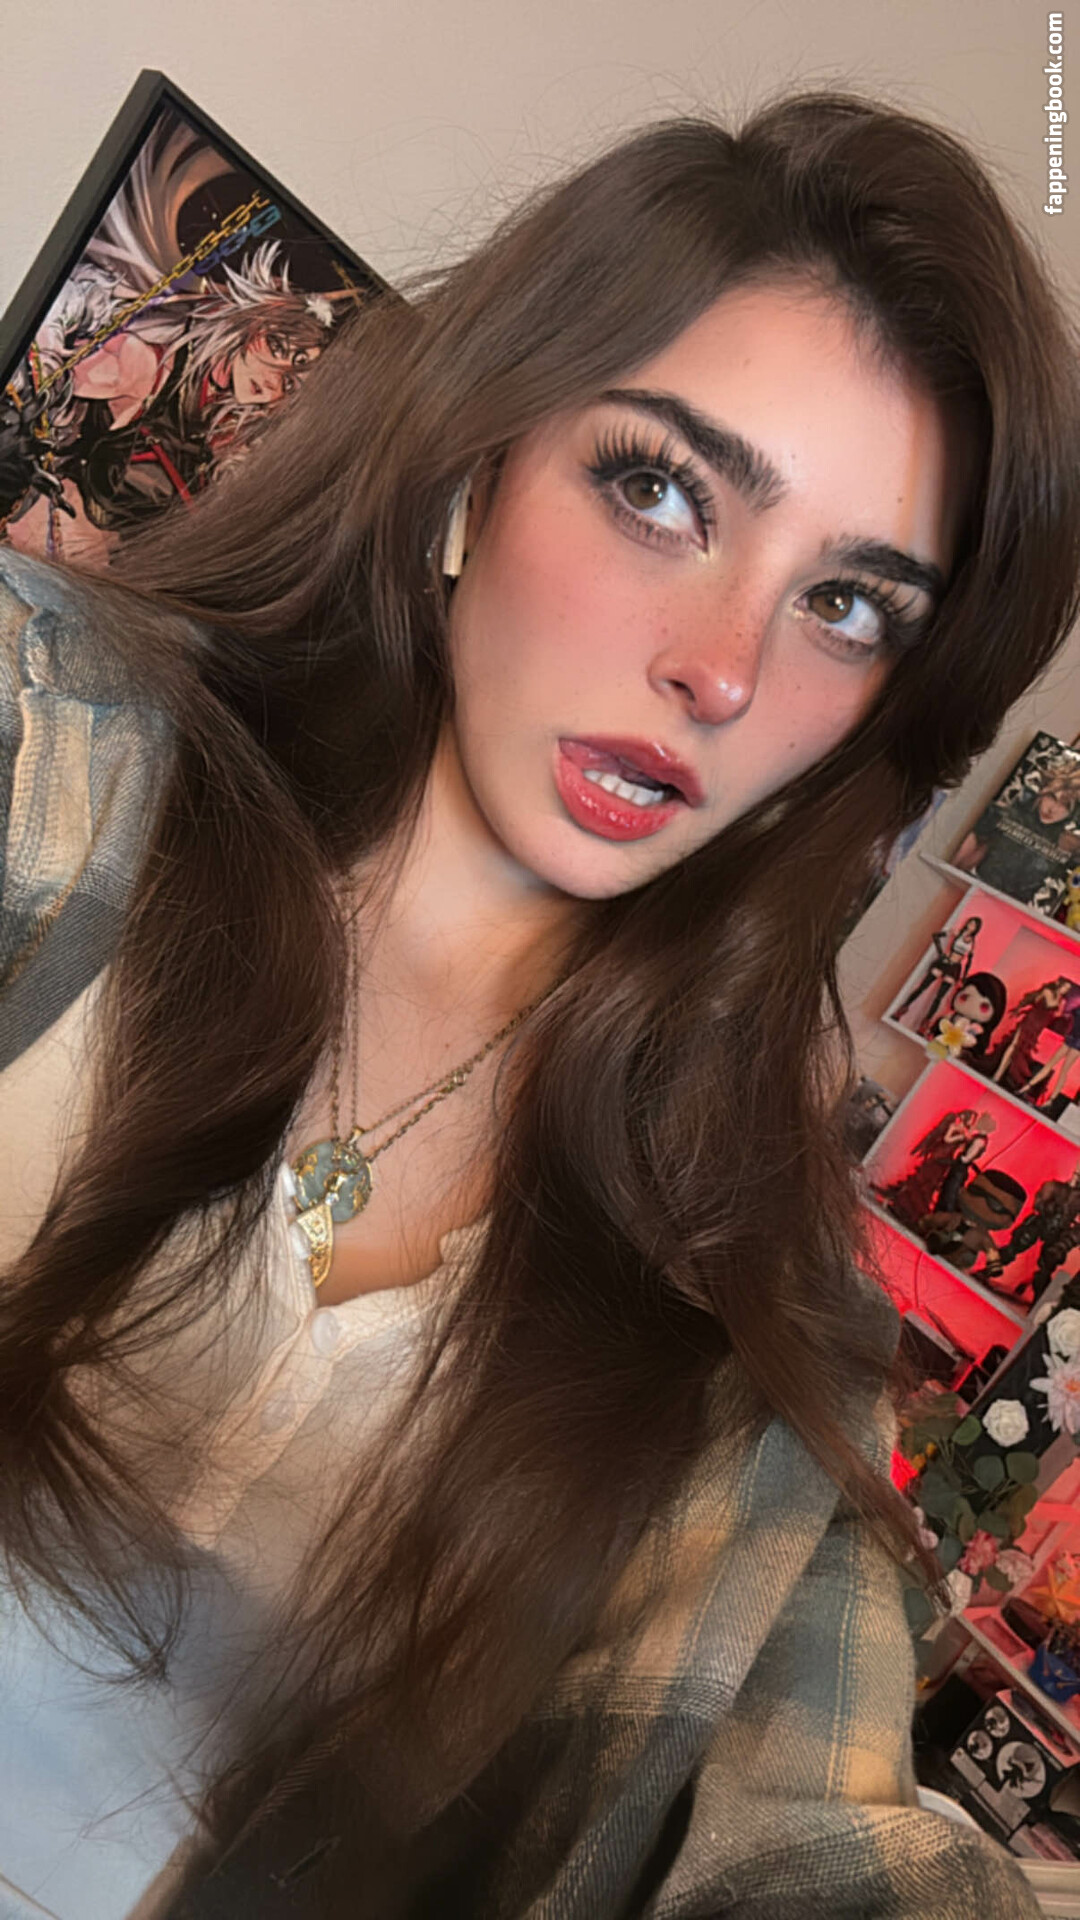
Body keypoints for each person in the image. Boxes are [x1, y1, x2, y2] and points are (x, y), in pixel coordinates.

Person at [1, 89, 1078, 1920]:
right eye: (661, 491)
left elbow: (818, 1850)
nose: (719, 670)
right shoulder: (56, 744)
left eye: (846, 606)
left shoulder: (751, 1320)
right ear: (475, 467)